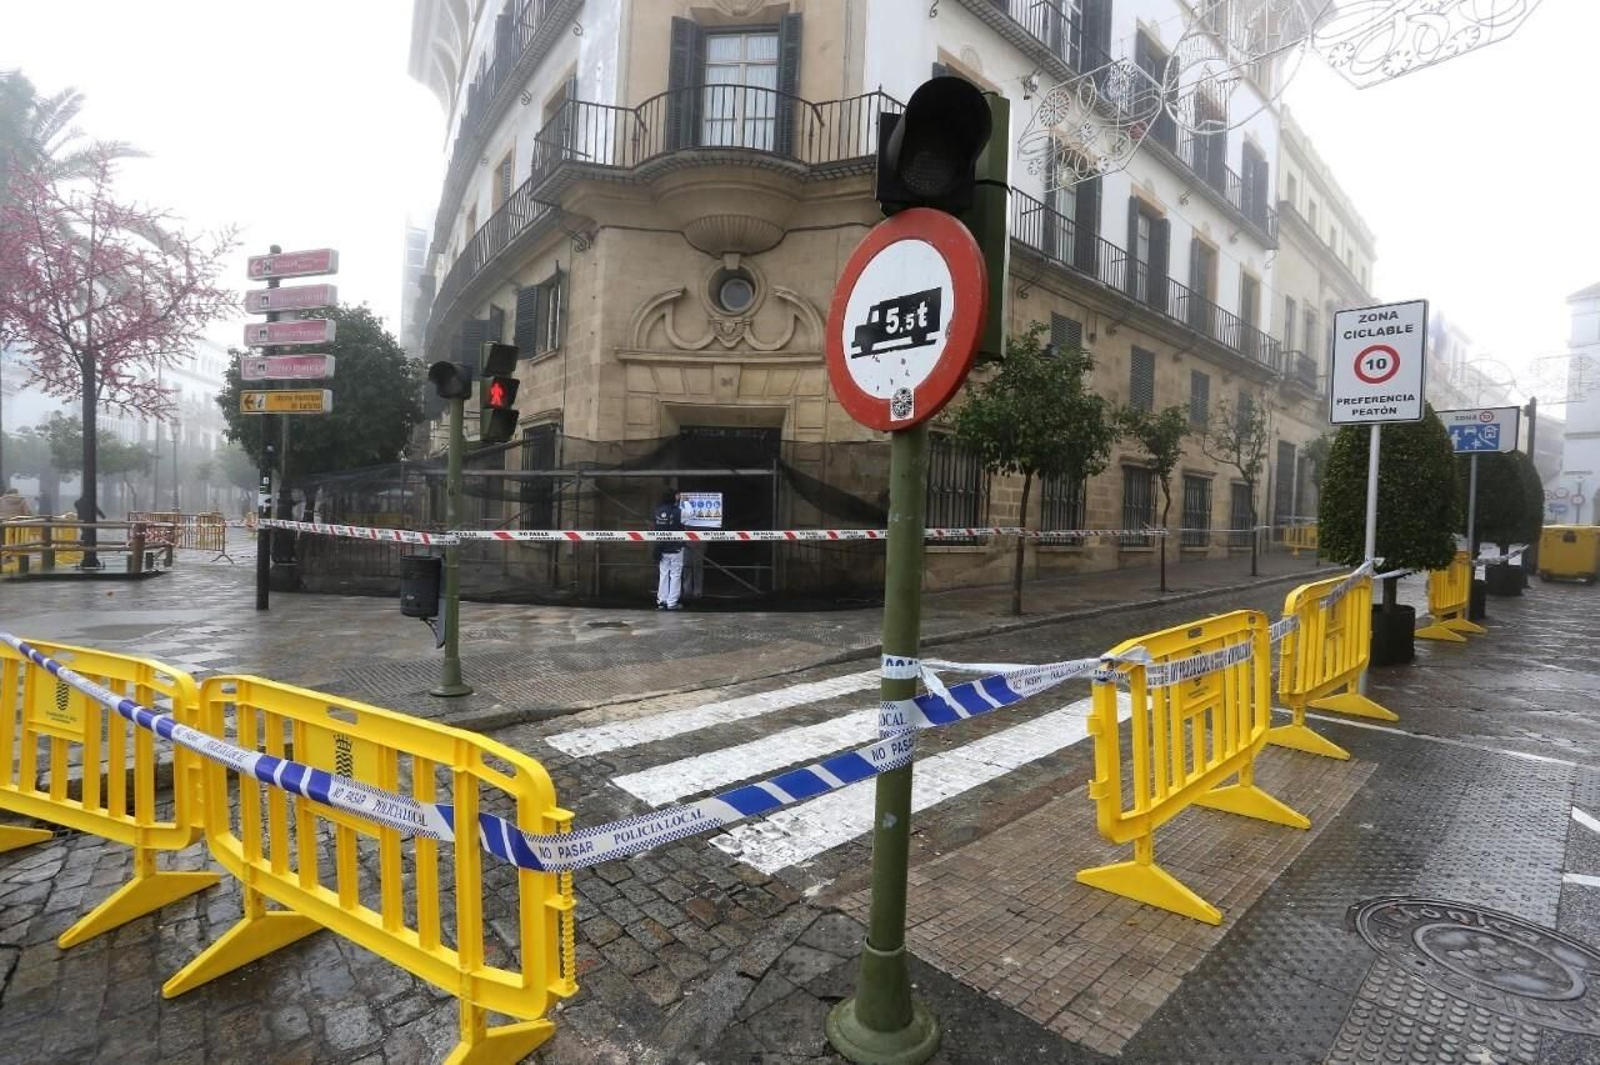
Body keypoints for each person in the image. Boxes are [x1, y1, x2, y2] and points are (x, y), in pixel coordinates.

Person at [652, 490, 686, 610]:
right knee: (675, 574)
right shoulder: (678, 512)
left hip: (661, 548)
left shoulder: (657, 512)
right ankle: (672, 603)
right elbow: (690, 515)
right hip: (675, 547)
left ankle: (662, 601)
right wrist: (686, 502)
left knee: (664, 574)